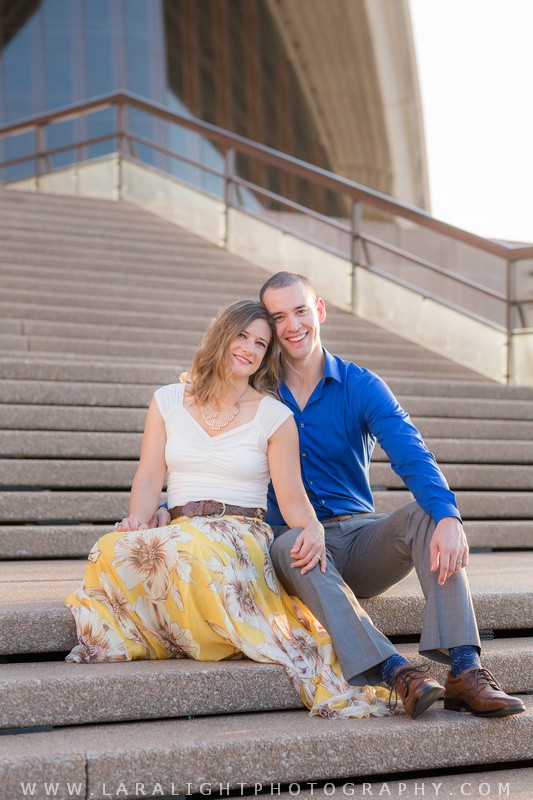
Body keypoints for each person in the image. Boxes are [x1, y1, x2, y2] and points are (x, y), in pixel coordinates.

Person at [65, 300, 393, 719]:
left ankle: (204, 633)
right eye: (242, 336)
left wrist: (312, 527)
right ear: (222, 336)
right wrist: (139, 519)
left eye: (261, 343)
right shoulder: (167, 401)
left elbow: (291, 496)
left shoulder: (275, 416)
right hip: (181, 526)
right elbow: (149, 476)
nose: (249, 349)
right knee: (109, 549)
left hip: (240, 532)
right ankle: (176, 630)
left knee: (189, 549)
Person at [255, 271, 524, 720]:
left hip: (358, 539)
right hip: (294, 541)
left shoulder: (361, 386)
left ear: (319, 311)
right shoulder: (257, 391)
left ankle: (464, 667)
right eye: (278, 316)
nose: (292, 325)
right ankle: (396, 670)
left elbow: (410, 452)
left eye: (300, 310)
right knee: (292, 544)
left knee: (425, 516)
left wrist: (448, 517)